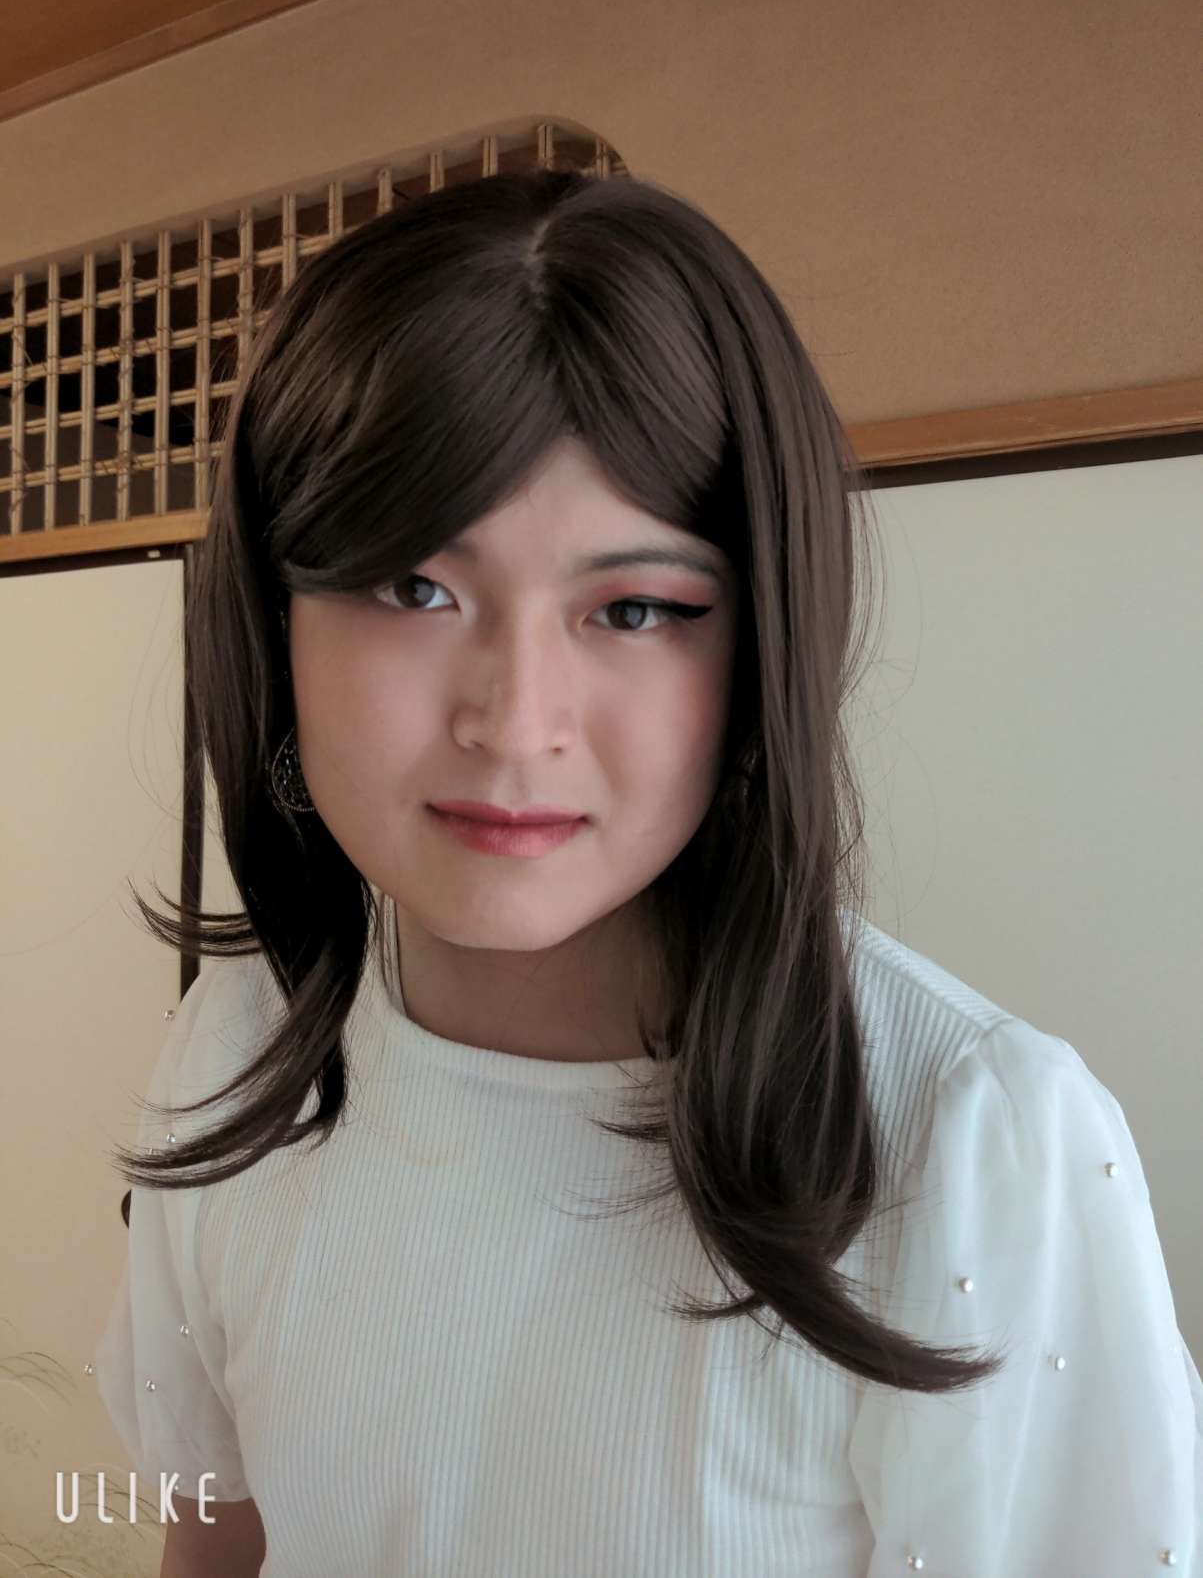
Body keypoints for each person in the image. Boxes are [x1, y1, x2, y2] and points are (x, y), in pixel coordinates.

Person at [91, 165, 1202, 1577]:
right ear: (272, 616)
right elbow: (218, 1543)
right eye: (413, 588)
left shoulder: (975, 1143)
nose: (516, 724)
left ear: (759, 645)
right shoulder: (239, 1048)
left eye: (634, 609)